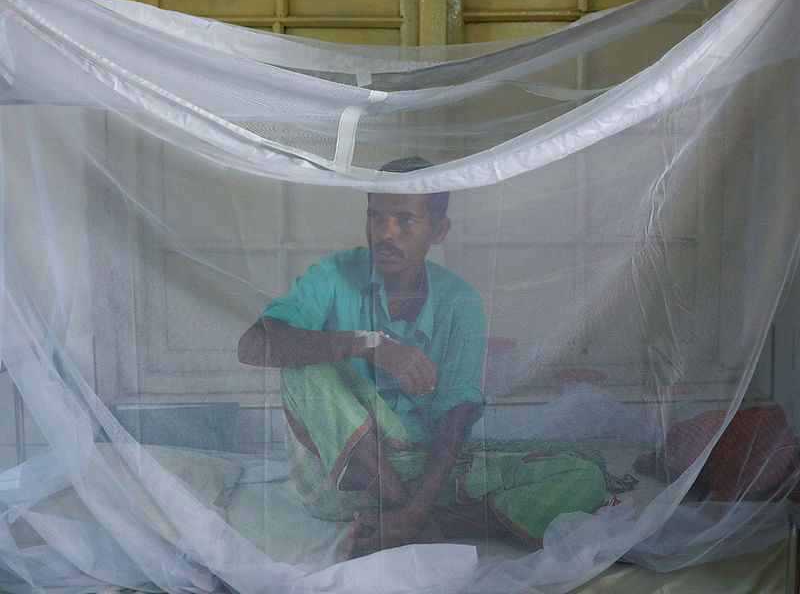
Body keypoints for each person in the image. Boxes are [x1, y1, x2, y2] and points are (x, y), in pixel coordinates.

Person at [239, 157, 606, 559]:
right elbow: (254, 344)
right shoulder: (334, 273)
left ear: (439, 229)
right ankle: (407, 514)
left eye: (405, 220)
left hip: (420, 473)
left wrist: (417, 508)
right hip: (338, 480)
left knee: (583, 471)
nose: (385, 233)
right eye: (376, 217)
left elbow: (456, 412)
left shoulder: (458, 299)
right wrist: (366, 344)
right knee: (302, 367)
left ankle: (408, 522)